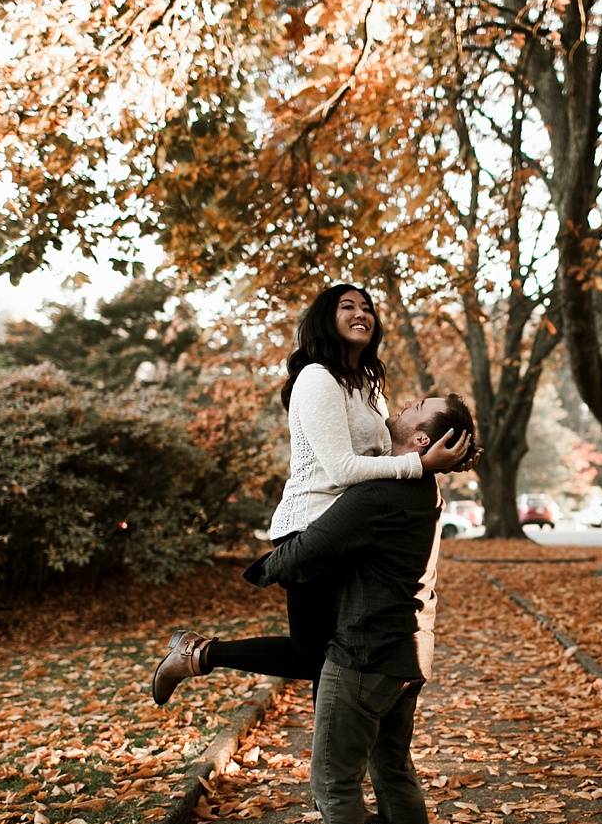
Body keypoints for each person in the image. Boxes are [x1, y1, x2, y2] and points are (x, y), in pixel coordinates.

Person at [152, 284, 470, 705]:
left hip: (354, 530)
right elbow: (342, 469)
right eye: (347, 306)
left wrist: (438, 457)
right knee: (313, 657)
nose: (361, 313)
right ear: (326, 319)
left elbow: (385, 456)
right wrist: (420, 465)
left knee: (340, 657)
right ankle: (197, 654)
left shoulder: (370, 388)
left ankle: (332, 766)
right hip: (311, 529)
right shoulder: (317, 378)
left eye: (367, 307)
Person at [247, 392, 477, 824]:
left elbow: (304, 553)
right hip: (407, 652)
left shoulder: (381, 491)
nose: (400, 404)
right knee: (392, 770)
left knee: (335, 784)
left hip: (364, 655)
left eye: (415, 406)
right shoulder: (424, 487)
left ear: (422, 440)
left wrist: (261, 567)